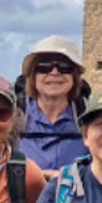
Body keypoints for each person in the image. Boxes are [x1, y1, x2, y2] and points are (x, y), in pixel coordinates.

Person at [16, 37, 89, 172]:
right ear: (33, 76)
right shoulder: (15, 115)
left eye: (64, 67)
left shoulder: (88, 116)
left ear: (75, 76)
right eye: (44, 67)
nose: (54, 73)